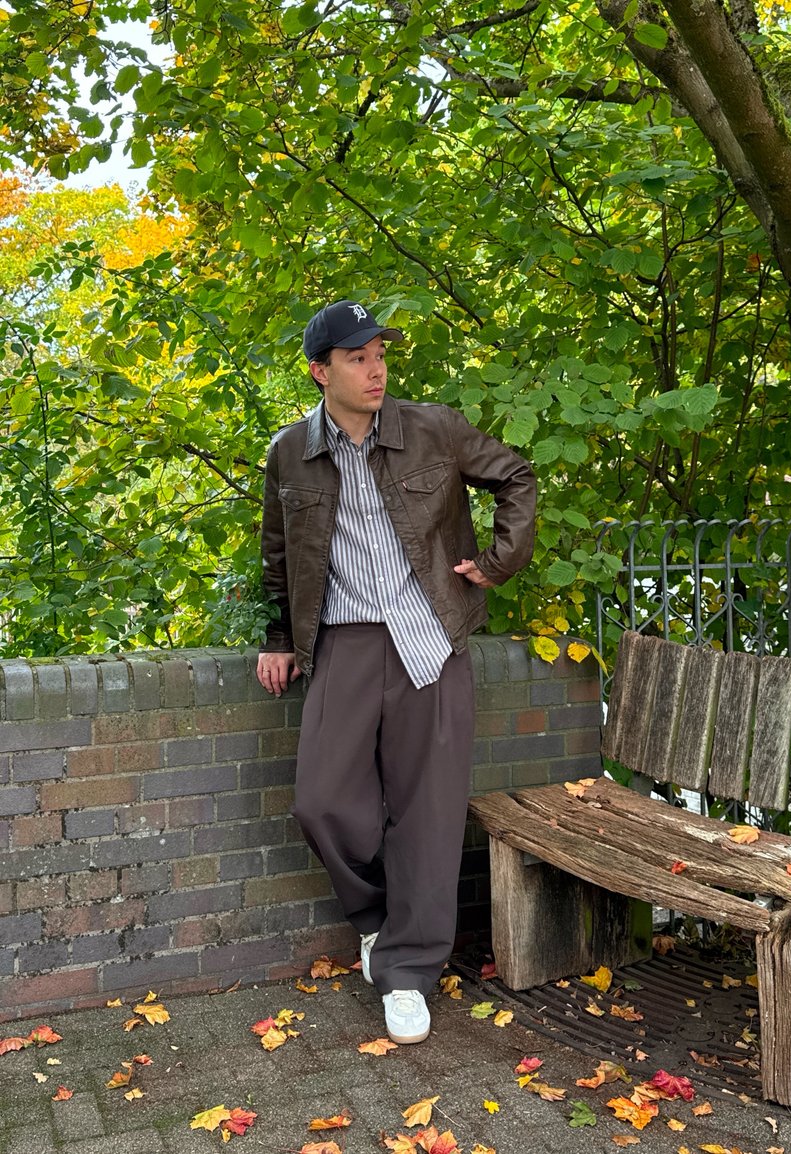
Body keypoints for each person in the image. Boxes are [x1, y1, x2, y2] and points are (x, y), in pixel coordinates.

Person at [257, 298, 536, 1044]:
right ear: (321, 372)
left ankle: (409, 971)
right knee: (322, 802)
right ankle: (378, 921)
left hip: (431, 636)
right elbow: (280, 555)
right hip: (344, 641)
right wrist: (279, 636)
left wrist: (499, 563)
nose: (376, 368)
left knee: (429, 813)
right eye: (357, 357)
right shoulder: (290, 451)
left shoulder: (433, 429)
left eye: (380, 353)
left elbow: (516, 476)